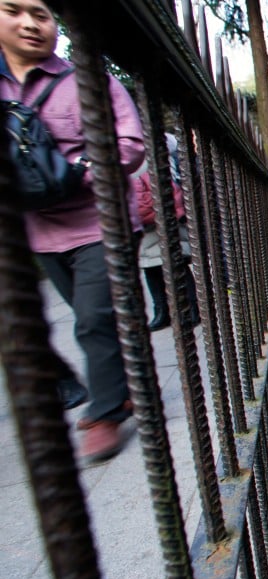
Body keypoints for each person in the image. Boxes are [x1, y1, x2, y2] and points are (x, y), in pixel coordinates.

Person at [0, 0, 145, 463]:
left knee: (93, 319)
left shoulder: (87, 82)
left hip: (99, 222)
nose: (29, 24)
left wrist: (73, 172)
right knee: (92, 317)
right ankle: (122, 386)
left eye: (40, 14)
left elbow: (130, 145)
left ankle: (104, 411)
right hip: (38, 231)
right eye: (12, 10)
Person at [133, 134, 199, 331]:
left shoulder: (153, 160)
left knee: (175, 265)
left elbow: (171, 194)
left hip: (161, 224)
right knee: (151, 268)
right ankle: (162, 311)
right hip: (145, 230)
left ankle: (191, 308)